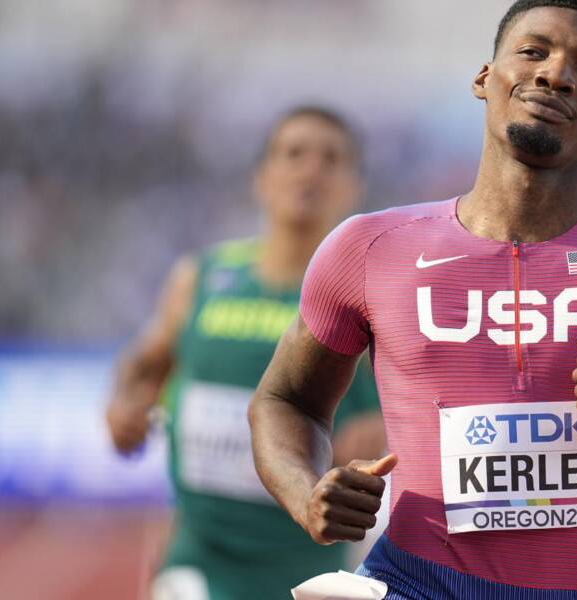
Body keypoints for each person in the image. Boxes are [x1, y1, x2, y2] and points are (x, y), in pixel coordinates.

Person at [249, 1, 577, 598]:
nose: (555, 74)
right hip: (410, 583)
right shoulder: (371, 248)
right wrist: (306, 492)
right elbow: (284, 400)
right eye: (533, 51)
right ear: (484, 78)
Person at [106, 106, 385, 600]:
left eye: (331, 159)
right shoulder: (202, 278)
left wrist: (370, 444)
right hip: (199, 559)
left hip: (307, 569)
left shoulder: (367, 299)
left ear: (354, 187)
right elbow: (146, 365)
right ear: (261, 177)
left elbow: (399, 423)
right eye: (293, 154)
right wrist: (126, 405)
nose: (311, 170)